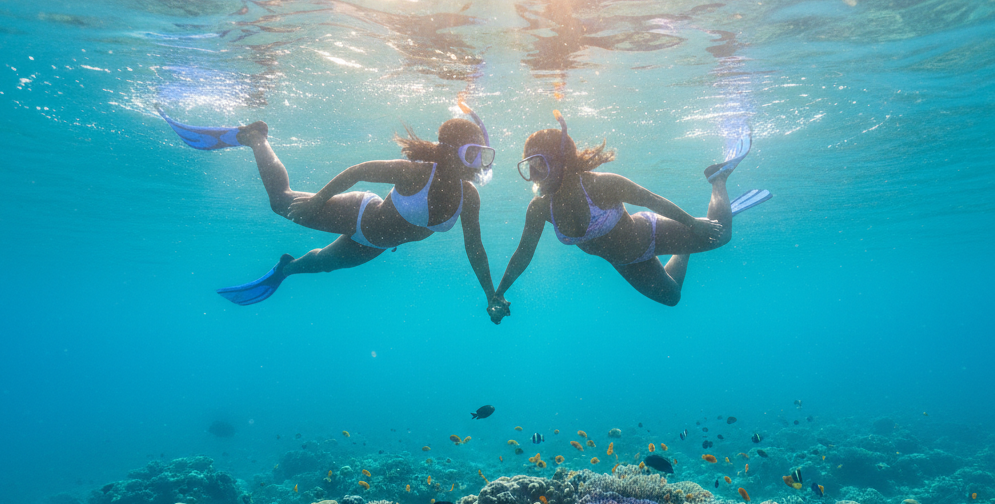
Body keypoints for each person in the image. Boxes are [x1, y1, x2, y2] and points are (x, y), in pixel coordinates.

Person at [160, 101, 508, 312]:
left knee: (321, 266)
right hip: (358, 214)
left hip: (375, 245)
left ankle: (284, 269)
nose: (478, 163)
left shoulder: (469, 197)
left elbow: (475, 249)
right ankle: (255, 137)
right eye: (472, 154)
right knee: (281, 203)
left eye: (483, 155)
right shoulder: (415, 173)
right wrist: (317, 200)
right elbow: (358, 172)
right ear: (449, 152)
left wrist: (491, 294)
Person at [488, 111, 770, 319]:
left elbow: (651, 200)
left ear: (562, 161)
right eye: (528, 166)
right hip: (626, 263)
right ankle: (685, 249)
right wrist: (499, 292)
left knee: (722, 234)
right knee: (672, 298)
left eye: (539, 164)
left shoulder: (601, 184)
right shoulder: (540, 208)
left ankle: (718, 179)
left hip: (651, 235)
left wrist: (692, 223)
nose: (534, 175)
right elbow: (523, 253)